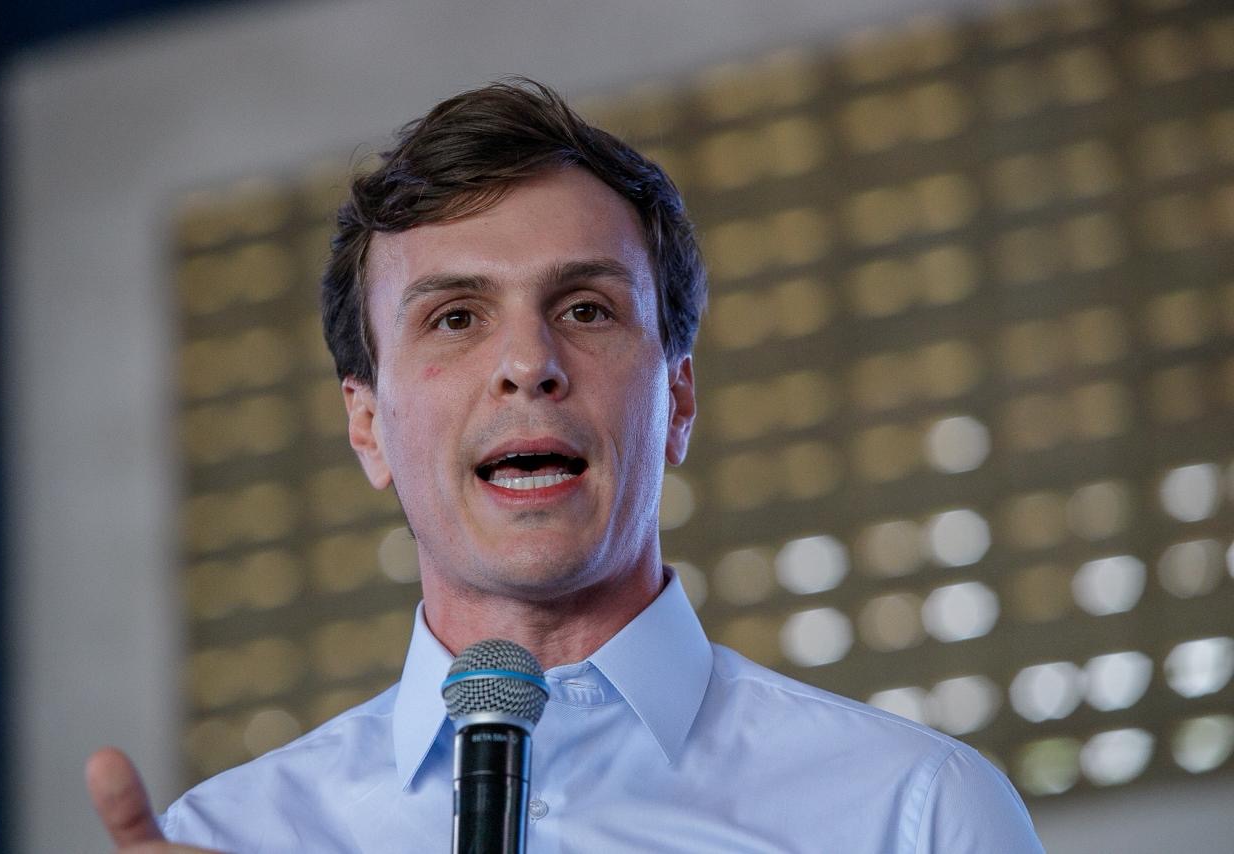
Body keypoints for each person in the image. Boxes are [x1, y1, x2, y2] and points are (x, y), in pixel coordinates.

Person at [87, 78, 1044, 853]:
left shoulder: (915, 816)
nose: (527, 363)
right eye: (455, 318)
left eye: (586, 309)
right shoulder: (230, 838)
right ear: (367, 425)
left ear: (677, 399)